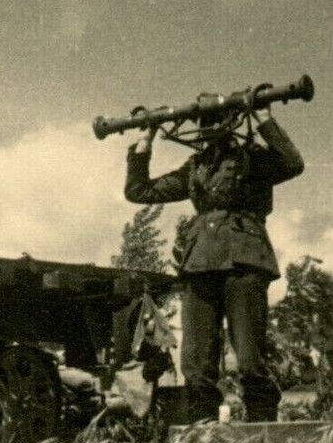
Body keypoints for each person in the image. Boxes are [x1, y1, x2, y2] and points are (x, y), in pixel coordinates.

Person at [124, 103, 304, 422]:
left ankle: (263, 429)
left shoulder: (252, 159)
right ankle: (201, 431)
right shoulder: (196, 166)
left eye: (214, 121)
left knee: (249, 360)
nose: (207, 129)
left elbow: (292, 163)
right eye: (203, 122)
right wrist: (146, 138)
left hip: (244, 261)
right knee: (195, 363)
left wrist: (264, 119)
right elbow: (138, 191)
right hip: (200, 265)